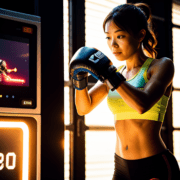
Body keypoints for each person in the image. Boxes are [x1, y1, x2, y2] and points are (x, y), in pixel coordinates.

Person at [70, 3, 180, 180]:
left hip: (153, 166)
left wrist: (109, 74)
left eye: (120, 36)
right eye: (108, 38)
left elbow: (142, 104)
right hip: (121, 166)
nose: (113, 45)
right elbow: (84, 108)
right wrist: (79, 80)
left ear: (140, 35)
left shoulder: (160, 66)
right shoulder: (116, 73)